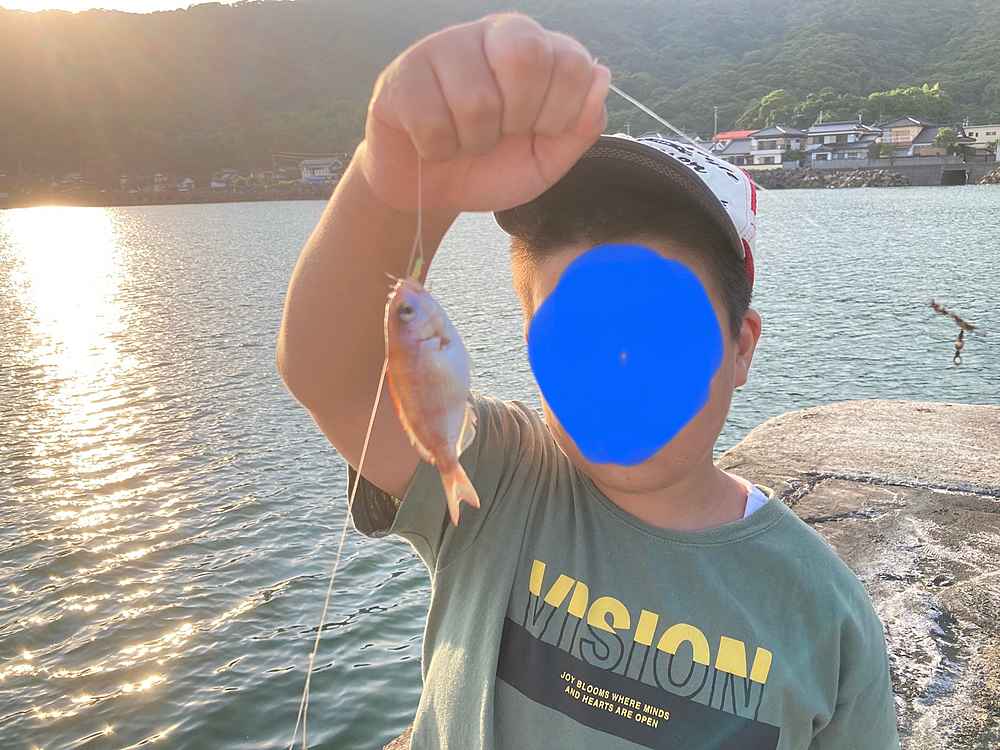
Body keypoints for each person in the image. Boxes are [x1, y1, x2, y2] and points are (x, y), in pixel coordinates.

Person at [276, 13, 899, 750]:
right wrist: (400, 183)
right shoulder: (499, 478)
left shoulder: (826, 618)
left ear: (740, 348)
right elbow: (329, 371)